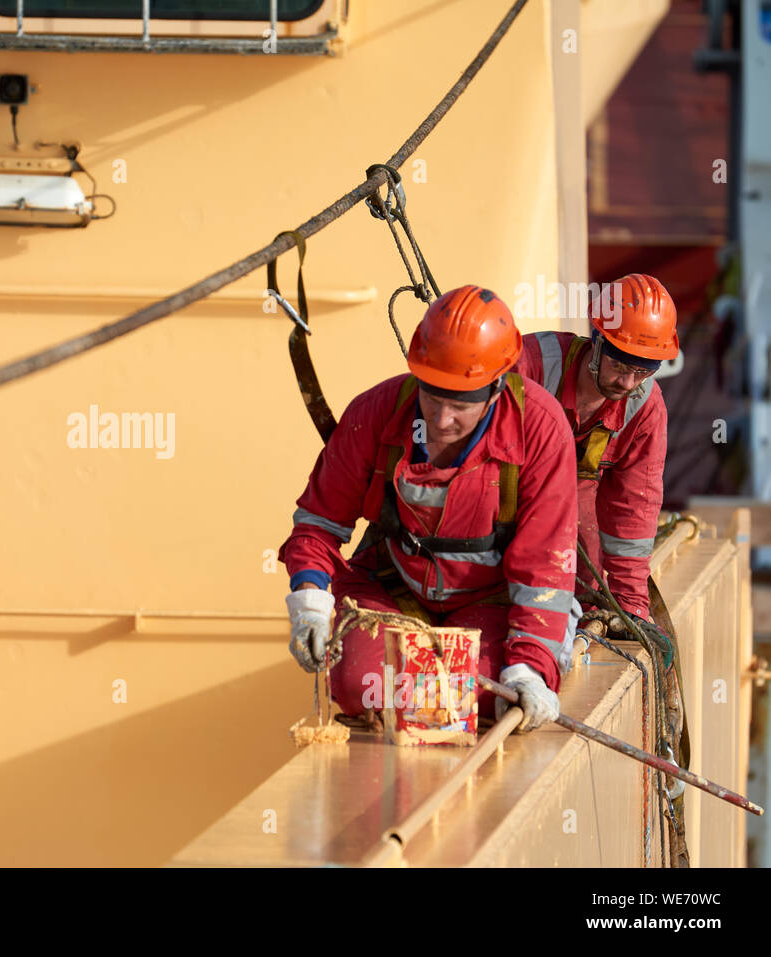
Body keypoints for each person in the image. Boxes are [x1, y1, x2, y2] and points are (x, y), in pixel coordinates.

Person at [280, 286, 579, 731]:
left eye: (460, 406)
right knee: (365, 689)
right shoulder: (375, 413)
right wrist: (309, 600)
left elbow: (546, 566)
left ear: (496, 387)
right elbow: (318, 525)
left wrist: (531, 666)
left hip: (493, 599)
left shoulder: (538, 427)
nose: (441, 420)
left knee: (483, 696)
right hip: (393, 586)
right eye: (432, 397)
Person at [514, 273, 676, 622]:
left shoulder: (644, 407)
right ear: (597, 341)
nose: (627, 383)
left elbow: (634, 507)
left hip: (575, 518)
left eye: (642, 371)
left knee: (586, 595)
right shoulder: (528, 368)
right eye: (618, 364)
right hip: (504, 506)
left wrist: (631, 604)